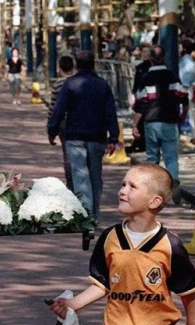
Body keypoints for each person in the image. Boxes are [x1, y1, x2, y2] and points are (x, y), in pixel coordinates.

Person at [49, 163, 195, 325]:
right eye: (123, 184)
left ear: (154, 202)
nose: (123, 191)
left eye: (132, 186)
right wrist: (72, 305)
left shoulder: (170, 245)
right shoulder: (109, 238)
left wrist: (193, 323)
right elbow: (103, 284)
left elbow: (186, 290)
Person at [48, 51, 119, 221]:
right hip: (97, 137)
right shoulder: (103, 85)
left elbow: (59, 110)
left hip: (75, 137)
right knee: (95, 176)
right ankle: (95, 212)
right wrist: (114, 137)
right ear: (93, 64)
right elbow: (111, 112)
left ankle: (86, 214)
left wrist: (52, 130)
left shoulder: (70, 84)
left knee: (80, 175)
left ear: (77, 65)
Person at [133, 45, 188, 198]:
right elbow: (183, 95)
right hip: (170, 121)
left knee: (152, 157)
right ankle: (173, 182)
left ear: (150, 59)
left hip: (151, 122)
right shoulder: (172, 76)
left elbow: (141, 103)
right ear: (164, 58)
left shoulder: (146, 79)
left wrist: (135, 124)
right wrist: (183, 114)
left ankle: (153, 188)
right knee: (171, 156)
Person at [47, 55, 74, 190]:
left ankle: (71, 183)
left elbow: (53, 107)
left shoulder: (57, 84)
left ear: (60, 68)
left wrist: (51, 128)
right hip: (78, 121)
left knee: (67, 155)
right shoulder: (78, 82)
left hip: (64, 122)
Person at [127, 42, 151, 154]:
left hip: (150, 97)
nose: (145, 54)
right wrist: (133, 95)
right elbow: (136, 84)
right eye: (143, 52)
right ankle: (139, 143)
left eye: (147, 52)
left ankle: (142, 143)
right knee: (140, 118)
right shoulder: (139, 68)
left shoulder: (152, 67)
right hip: (141, 96)